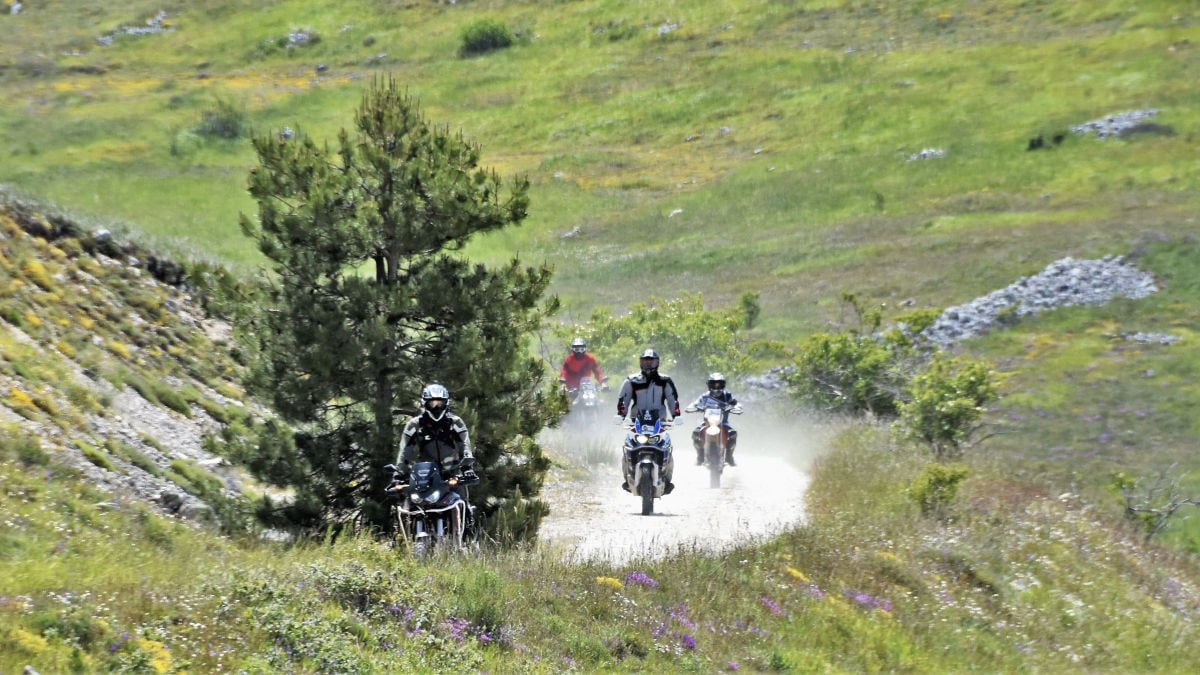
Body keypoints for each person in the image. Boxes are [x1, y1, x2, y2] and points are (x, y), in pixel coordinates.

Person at [396, 383, 479, 502]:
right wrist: (399, 474)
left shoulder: (455, 422)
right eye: (432, 403)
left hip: (452, 472)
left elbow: (465, 445)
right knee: (411, 505)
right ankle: (410, 520)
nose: (436, 407)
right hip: (426, 476)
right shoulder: (414, 424)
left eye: (440, 403)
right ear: (425, 403)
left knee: (461, 502)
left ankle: (466, 517)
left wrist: (467, 467)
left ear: (446, 403)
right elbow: (405, 451)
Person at [615, 349, 681, 492]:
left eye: (651, 361)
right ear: (640, 362)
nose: (648, 364)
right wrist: (621, 416)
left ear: (657, 363)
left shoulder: (665, 381)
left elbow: (672, 400)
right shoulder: (631, 380)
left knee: (667, 448)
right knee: (627, 448)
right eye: (645, 361)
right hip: (636, 423)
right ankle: (627, 478)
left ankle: (667, 480)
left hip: (659, 423)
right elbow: (623, 400)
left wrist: (677, 416)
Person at [683, 372, 742, 466]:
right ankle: (700, 455)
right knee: (695, 433)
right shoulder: (705, 396)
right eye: (714, 384)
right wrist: (691, 408)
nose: (716, 386)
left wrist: (737, 408)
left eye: (719, 384)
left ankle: (729, 456)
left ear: (723, 384)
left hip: (723, 423)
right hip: (707, 423)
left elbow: (736, 403)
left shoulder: (727, 395)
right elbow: (695, 403)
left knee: (733, 434)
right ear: (709, 384)